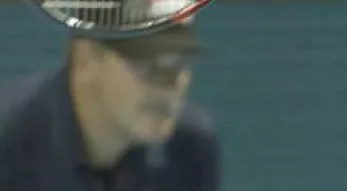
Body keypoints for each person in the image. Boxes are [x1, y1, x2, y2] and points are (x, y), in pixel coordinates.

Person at [0, 17, 220, 190]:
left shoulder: (190, 147)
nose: (168, 87)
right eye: (146, 64)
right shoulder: (9, 140)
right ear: (85, 58)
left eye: (180, 64)